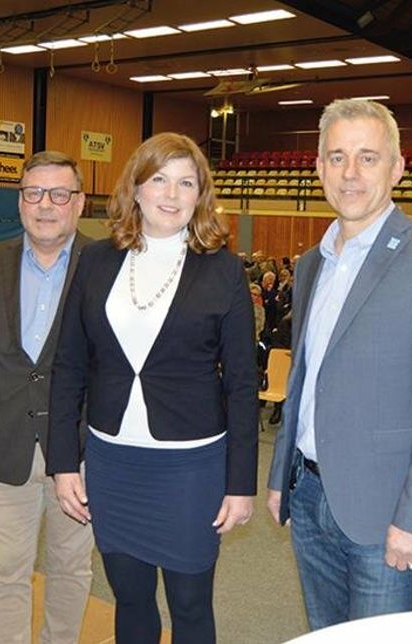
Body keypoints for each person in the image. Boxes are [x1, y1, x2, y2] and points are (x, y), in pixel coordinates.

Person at [265, 98, 412, 630]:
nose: (350, 173)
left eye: (367, 157)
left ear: (398, 168)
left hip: (387, 514)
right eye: (336, 158)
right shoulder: (313, 262)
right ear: (318, 168)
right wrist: (280, 473)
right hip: (309, 496)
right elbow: (306, 376)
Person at [47, 132, 258, 644]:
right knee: (131, 600)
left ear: (200, 195)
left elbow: (243, 384)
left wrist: (240, 482)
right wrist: (61, 462)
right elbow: (69, 365)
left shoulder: (225, 270)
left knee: (189, 606)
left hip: (190, 466)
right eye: (159, 178)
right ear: (136, 188)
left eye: (186, 182)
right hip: (114, 463)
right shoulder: (95, 261)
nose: (171, 192)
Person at [0, 151, 94, 642]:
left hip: (81, 454)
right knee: (4, 573)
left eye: (59, 194)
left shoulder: (108, 263)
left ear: (79, 202)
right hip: (3, 448)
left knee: (71, 571)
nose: (45, 205)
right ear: (20, 201)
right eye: (34, 193)